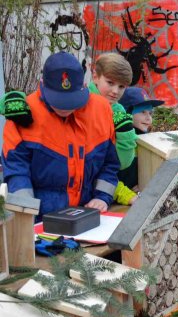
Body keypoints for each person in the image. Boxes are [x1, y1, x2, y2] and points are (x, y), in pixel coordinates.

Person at [2, 52, 119, 216]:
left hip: (88, 213)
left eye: (71, 101)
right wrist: (26, 213)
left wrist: (102, 197)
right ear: (42, 84)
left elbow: (110, 163)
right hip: (39, 217)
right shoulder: (23, 114)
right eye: (58, 100)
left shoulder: (101, 110)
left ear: (85, 86)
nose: (65, 107)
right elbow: (16, 171)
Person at [89, 53, 140, 200]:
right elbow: (90, 163)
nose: (115, 91)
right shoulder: (82, 106)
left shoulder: (118, 111)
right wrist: (122, 193)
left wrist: (125, 135)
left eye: (121, 86)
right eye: (110, 83)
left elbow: (122, 163)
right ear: (95, 77)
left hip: (105, 190)